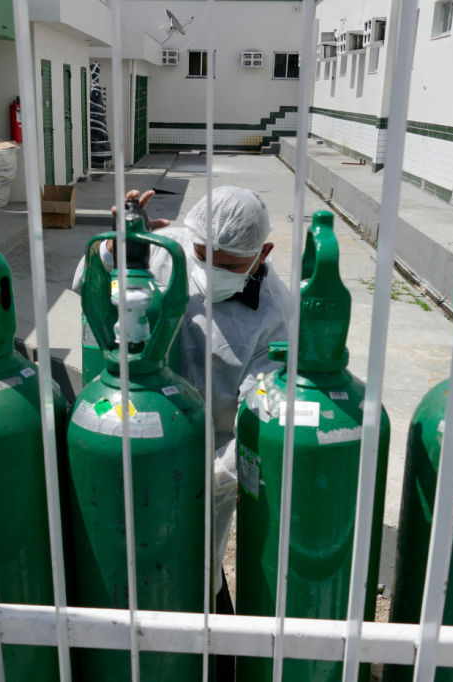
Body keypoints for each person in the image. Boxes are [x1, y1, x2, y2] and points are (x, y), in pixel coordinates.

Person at [72, 186, 291, 643]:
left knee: (192, 569)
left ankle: (205, 651)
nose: (209, 271)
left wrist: (208, 480)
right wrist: (116, 249)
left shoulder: (276, 317)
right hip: (125, 425)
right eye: (202, 255)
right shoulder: (167, 251)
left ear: (262, 252)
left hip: (204, 467)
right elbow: (88, 290)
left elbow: (260, 419)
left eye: (227, 265)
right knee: (114, 553)